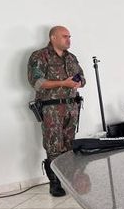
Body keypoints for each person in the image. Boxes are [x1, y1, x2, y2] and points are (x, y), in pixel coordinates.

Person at [27, 26, 85, 197]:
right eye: (65, 36)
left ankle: (67, 178)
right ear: (53, 37)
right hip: (51, 108)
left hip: (71, 107)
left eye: (69, 36)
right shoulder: (40, 56)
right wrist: (63, 83)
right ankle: (55, 183)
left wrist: (78, 83)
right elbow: (37, 82)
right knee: (54, 146)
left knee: (68, 146)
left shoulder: (71, 58)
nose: (69, 40)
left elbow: (82, 78)